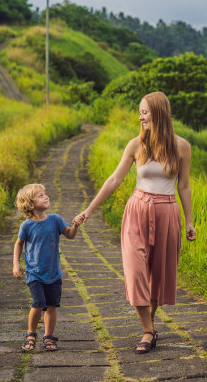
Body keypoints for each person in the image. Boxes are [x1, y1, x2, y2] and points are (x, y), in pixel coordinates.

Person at [73, 91, 196, 354]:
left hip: (167, 211)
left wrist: (189, 222)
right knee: (135, 271)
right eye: (140, 112)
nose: (140, 116)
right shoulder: (135, 145)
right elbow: (114, 180)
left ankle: (148, 328)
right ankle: (148, 330)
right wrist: (89, 210)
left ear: (159, 113)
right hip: (137, 210)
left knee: (157, 275)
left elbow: (184, 187)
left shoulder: (182, 146)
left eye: (144, 111)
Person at [13, 183, 80, 352]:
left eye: (45, 194)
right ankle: (31, 334)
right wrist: (16, 263)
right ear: (30, 204)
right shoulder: (27, 225)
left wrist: (76, 226)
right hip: (34, 273)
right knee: (38, 303)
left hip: (53, 273)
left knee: (51, 306)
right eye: (40, 195)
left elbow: (70, 235)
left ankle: (48, 337)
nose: (46, 197)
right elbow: (19, 243)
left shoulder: (55, 220)